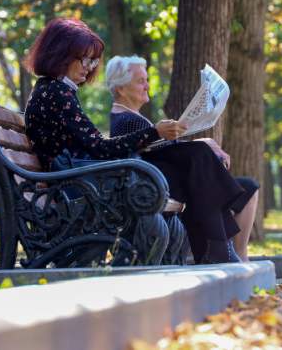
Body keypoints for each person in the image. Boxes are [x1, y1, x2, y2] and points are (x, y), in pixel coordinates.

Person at [23, 18, 250, 264]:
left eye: (93, 60)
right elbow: (99, 147)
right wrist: (154, 132)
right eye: (84, 59)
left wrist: (155, 134)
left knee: (195, 158)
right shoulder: (56, 92)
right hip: (77, 184)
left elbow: (94, 145)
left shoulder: (55, 90)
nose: (89, 67)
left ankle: (216, 248)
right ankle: (217, 247)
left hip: (81, 177)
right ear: (61, 54)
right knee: (195, 159)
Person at [105, 55, 259, 262]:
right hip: (153, 186)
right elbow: (163, 151)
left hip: (164, 181)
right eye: (140, 81)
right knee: (201, 158)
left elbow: (161, 148)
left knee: (240, 183)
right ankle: (220, 249)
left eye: (147, 80)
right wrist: (202, 144)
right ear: (121, 89)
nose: (147, 86)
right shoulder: (125, 120)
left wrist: (201, 142)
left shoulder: (131, 117)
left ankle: (230, 251)